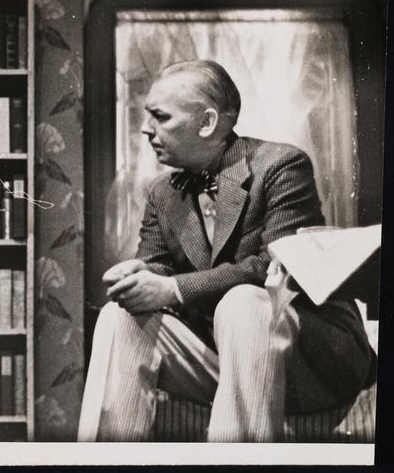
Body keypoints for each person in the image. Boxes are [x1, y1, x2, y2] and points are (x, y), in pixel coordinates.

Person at [77, 60, 376, 442]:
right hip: (225, 356)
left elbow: (276, 266)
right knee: (120, 317)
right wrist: (140, 274)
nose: (146, 128)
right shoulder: (162, 192)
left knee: (243, 303)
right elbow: (159, 266)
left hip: (312, 362)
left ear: (207, 123)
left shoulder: (281, 165)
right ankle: (107, 461)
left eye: (160, 117)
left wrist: (173, 289)